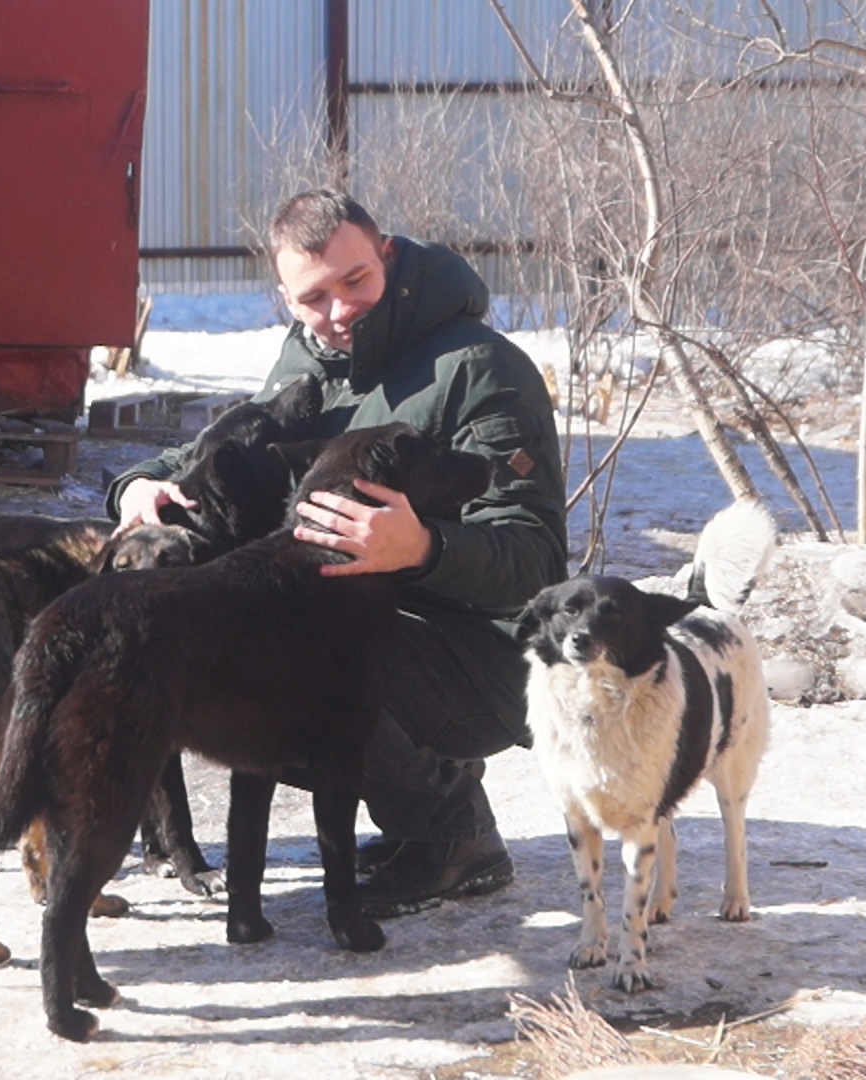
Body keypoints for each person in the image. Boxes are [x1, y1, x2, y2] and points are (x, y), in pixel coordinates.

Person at [108, 190, 567, 917]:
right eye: (314, 297)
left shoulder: (481, 368)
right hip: (365, 616)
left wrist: (424, 546)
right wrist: (144, 486)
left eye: (355, 281)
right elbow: (223, 449)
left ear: (387, 257)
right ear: (286, 300)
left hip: (484, 653)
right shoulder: (313, 360)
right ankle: (427, 799)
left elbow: (535, 560)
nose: (340, 310)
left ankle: (451, 832)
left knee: (308, 656)